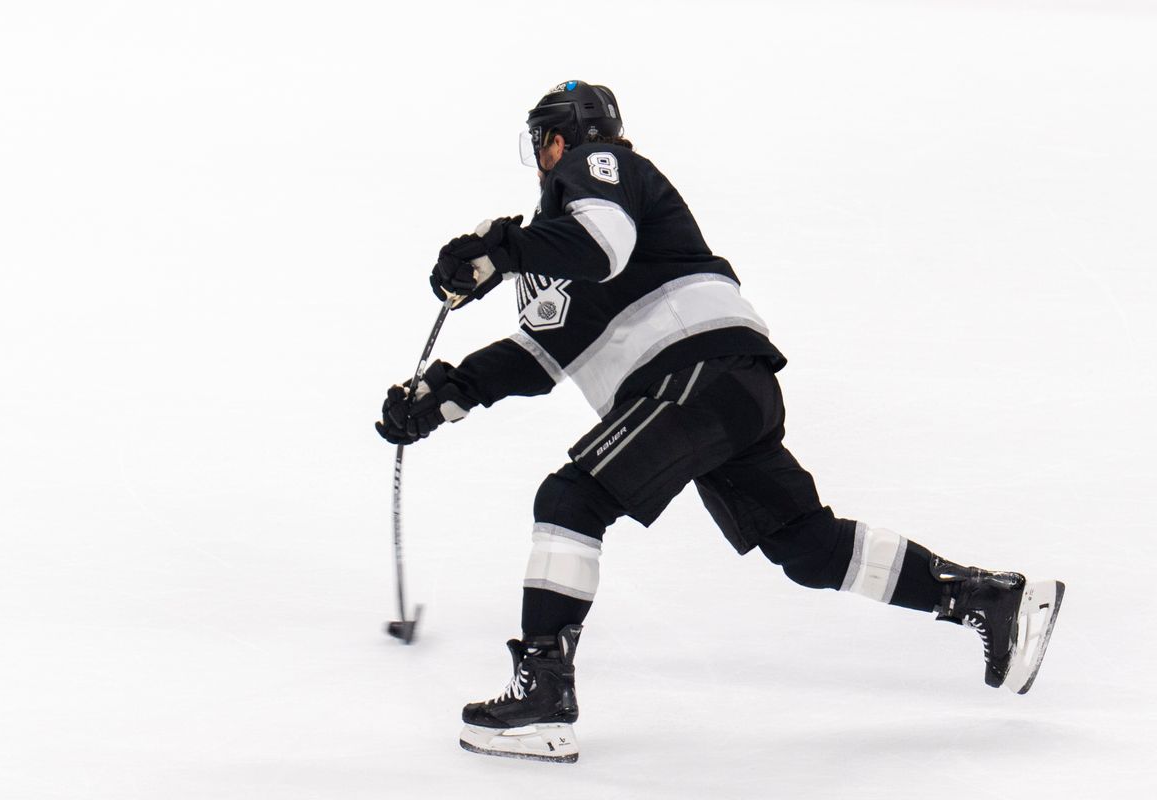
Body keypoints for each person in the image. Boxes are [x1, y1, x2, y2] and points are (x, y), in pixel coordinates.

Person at [375, 80, 1065, 764]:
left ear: (557, 140)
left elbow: (600, 244)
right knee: (809, 547)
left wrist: (506, 251)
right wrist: (445, 395)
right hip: (724, 390)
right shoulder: (564, 244)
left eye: (541, 147)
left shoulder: (597, 169)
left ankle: (545, 702)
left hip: (694, 377)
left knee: (570, 499)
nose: (543, 162)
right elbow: (544, 352)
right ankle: (992, 600)